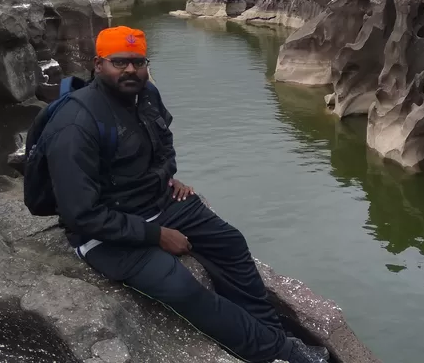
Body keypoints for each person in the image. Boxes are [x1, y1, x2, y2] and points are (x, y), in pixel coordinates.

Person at [38, 26, 329, 363]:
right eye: (120, 62)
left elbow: (164, 148)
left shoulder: (146, 96)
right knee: (180, 285)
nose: (130, 70)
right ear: (98, 64)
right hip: (103, 230)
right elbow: (80, 214)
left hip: (156, 201)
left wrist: (167, 178)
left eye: (138, 62)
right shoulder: (76, 122)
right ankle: (278, 354)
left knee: (230, 242)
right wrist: (156, 235)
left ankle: (274, 337)